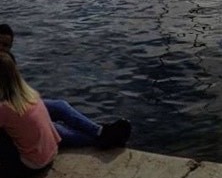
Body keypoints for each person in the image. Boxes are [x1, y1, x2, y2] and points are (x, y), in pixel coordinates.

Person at [0, 23, 131, 150]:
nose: (1, 48)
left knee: (59, 105)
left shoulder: (7, 62)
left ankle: (99, 131)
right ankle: (98, 140)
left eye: (5, 45)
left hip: (13, 106)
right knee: (45, 126)